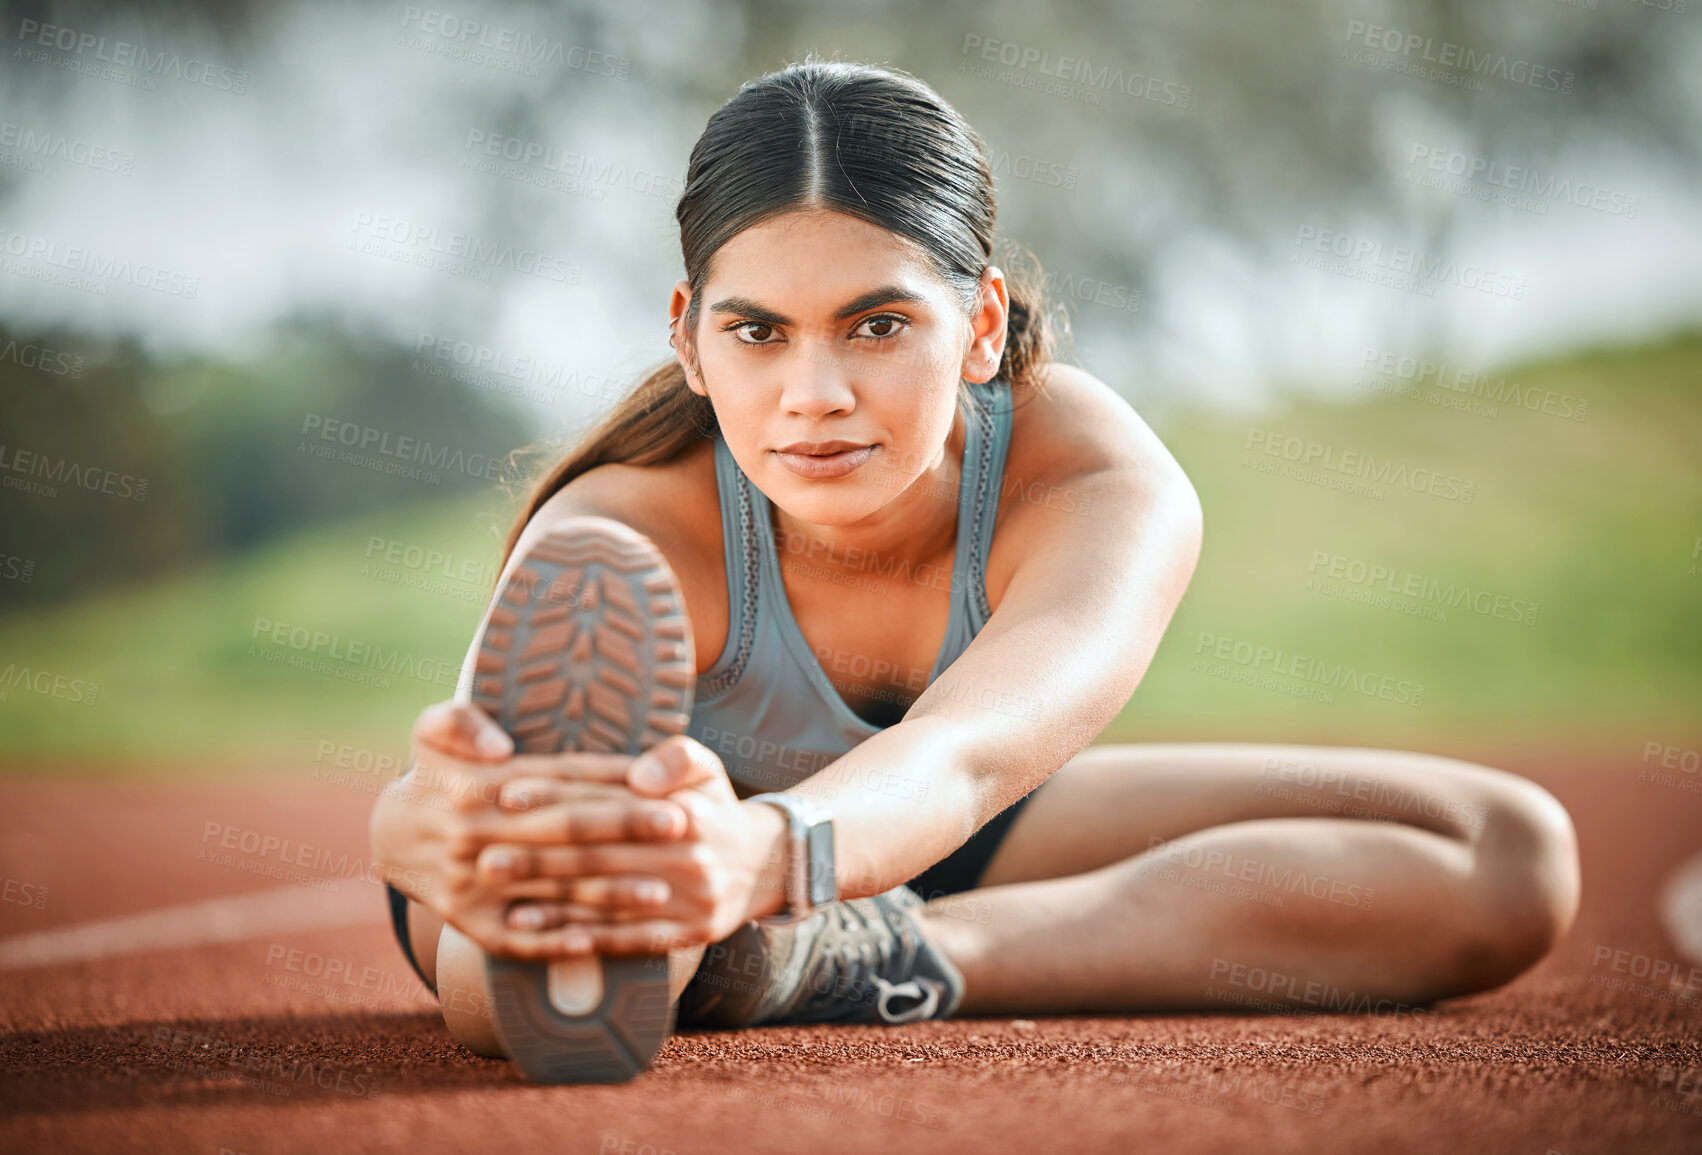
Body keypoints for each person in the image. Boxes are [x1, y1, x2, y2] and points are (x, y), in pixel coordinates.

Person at [368, 56, 1581, 1082]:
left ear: (983, 324)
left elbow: (964, 758)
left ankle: (834, 959)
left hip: (922, 829)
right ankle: (656, 935)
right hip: (642, 855)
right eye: (758, 332)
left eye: (878, 325)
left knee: (1506, 855)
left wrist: (772, 869)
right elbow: (446, 821)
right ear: (688, 335)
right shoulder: (628, 529)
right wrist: (427, 830)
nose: (816, 397)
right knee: (552, 953)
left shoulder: (1095, 481)